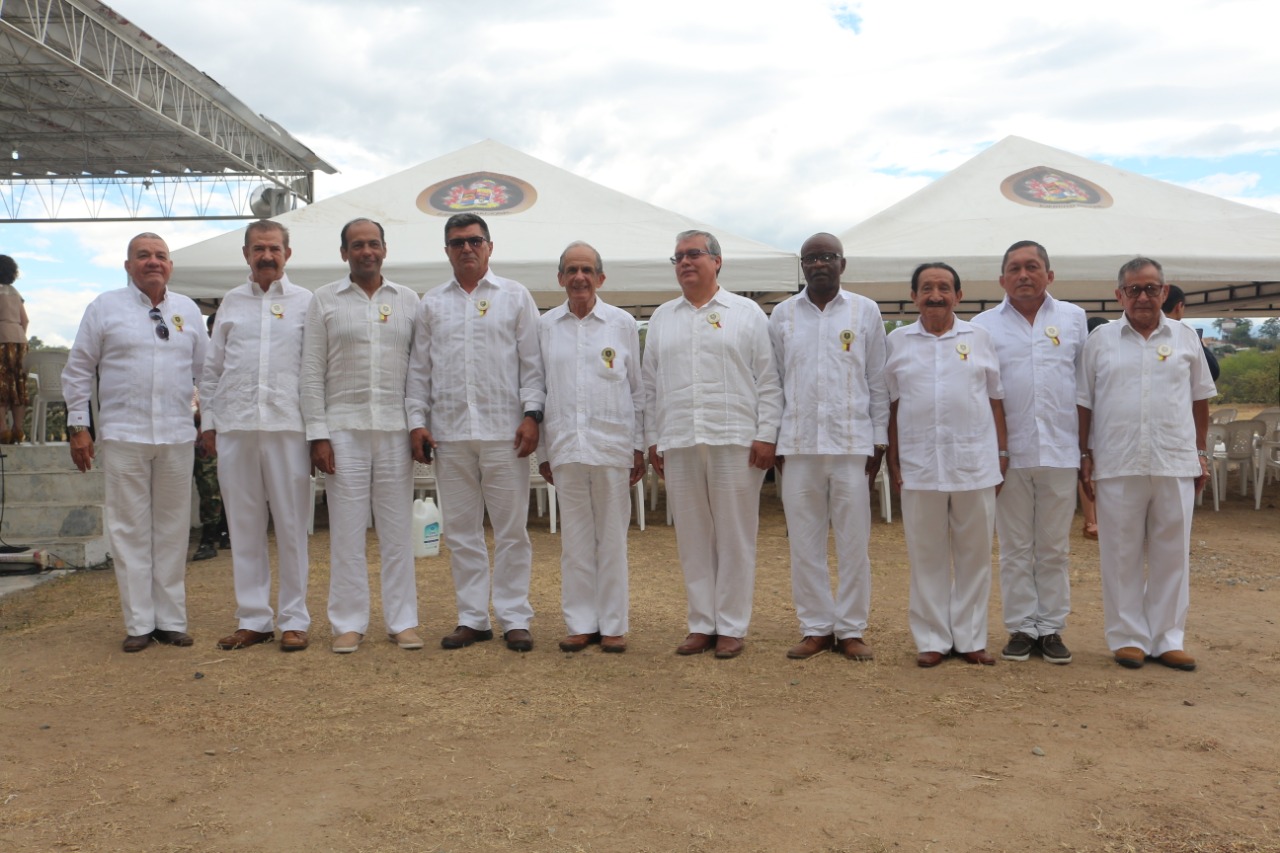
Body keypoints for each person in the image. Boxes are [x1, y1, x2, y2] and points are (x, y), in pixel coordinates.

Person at [62, 233, 206, 652]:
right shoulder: (104, 307)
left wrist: (209, 423)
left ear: (170, 266)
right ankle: (140, 622)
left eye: (161, 256)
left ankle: (171, 620)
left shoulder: (188, 310)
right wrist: (78, 425)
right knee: (129, 530)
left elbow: (207, 371)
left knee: (173, 529)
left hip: (176, 434)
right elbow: (78, 369)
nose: (153, 261)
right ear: (128, 266)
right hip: (124, 433)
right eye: (143, 255)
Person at [407, 213, 545, 652]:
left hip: (505, 432)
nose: (466, 248)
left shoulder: (515, 296)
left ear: (489, 246)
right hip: (449, 434)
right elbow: (419, 371)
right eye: (457, 242)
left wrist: (533, 414)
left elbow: (533, 364)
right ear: (446, 250)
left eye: (474, 240)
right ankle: (472, 618)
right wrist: (417, 421)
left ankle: (514, 617)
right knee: (461, 531)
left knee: (511, 531)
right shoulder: (431, 303)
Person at [643, 229, 782, 659]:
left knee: (735, 536)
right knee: (693, 536)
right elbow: (649, 385)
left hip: (735, 439)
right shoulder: (662, 317)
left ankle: (732, 625)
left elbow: (769, 379)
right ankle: (702, 623)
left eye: (695, 254)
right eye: (679, 257)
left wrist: (766, 434)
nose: (685, 262)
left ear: (717, 262)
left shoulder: (747, 313)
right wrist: (653, 439)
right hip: (680, 438)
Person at [1077, 257, 1215, 672]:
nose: (1142, 296)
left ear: (1164, 292)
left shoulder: (1186, 338)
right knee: (1120, 555)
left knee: (1173, 554)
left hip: (1174, 460)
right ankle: (1128, 638)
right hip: (1117, 461)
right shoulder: (1100, 340)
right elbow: (1084, 402)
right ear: (1119, 294)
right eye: (1133, 289)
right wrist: (1084, 454)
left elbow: (1200, 400)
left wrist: (1201, 453)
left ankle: (1167, 638)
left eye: (1151, 288)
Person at [301, 218, 420, 654]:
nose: (366, 251)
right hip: (343, 430)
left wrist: (417, 423)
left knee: (397, 533)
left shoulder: (408, 301)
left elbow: (418, 370)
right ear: (344, 253)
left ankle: (402, 621)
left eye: (373, 244)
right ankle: (348, 623)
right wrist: (318, 434)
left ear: (385, 249)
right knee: (347, 534)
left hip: (394, 430)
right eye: (357, 245)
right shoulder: (324, 300)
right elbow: (311, 372)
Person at [768, 233, 888, 661]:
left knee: (854, 543)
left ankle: (851, 629)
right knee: (805, 543)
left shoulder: (865, 311)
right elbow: (774, 382)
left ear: (842, 263)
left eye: (827, 257)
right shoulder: (782, 314)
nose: (819, 264)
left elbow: (878, 380)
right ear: (802, 266)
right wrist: (775, 439)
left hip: (851, 445)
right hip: (798, 446)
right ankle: (816, 628)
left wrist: (879, 440)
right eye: (811, 258)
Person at [885, 262, 1007, 668]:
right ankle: (932, 639)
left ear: (958, 295)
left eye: (943, 288)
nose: (935, 295)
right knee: (926, 557)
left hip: (974, 463)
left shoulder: (980, 338)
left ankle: (970, 638)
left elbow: (996, 400)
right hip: (919, 465)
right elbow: (892, 404)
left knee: (975, 556)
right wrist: (893, 457)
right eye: (926, 288)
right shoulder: (897, 342)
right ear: (913, 296)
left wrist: (1002, 454)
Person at [971, 241, 1087, 665]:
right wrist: (994, 450)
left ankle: (1051, 628)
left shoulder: (1073, 318)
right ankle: (1021, 627)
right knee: (1015, 547)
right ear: (1002, 279)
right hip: (1008, 453)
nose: (1024, 275)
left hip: (1060, 449)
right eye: (1015, 268)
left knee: (1054, 548)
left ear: (1049, 275)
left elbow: (1084, 386)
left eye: (1032, 267)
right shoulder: (982, 326)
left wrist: (1086, 449)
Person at [202, 220, 314, 652]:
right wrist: (209, 423)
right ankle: (253, 619)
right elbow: (212, 369)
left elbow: (314, 369)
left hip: (288, 426)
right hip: (237, 427)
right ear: (246, 254)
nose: (267, 256)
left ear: (288, 253)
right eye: (258, 249)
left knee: (291, 526)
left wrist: (316, 430)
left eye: (274, 248)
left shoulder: (306, 302)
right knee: (244, 526)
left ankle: (294, 619)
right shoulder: (231, 302)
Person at [536, 242, 645, 654]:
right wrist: (544, 452)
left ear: (600, 278)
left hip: (612, 445)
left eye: (586, 270)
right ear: (560, 278)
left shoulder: (621, 324)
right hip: (565, 446)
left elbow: (637, 390)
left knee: (612, 539)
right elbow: (539, 389)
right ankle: (581, 623)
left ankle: (613, 624)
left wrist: (638, 446)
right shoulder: (545, 326)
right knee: (576, 541)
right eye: (571, 270)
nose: (579, 277)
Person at [192, 312, 228, 562]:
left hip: (234, 430)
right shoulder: (201, 361)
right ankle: (208, 537)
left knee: (235, 485)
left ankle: (227, 531)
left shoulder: (237, 358)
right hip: (205, 433)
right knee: (208, 487)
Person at [1078, 317, 1109, 539]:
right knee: (1088, 471)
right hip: (1086, 420)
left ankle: (1097, 518)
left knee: (1098, 472)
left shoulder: (1109, 354)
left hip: (1105, 420)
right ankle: (1091, 519)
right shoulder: (1083, 356)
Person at [1162, 284, 1220, 381]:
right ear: (1179, 306)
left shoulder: (1143, 333)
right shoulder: (1187, 335)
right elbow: (1212, 372)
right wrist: (1201, 346)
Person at [0, 255, 29, 444]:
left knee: (1, 384)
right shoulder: (15, 293)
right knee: (19, 385)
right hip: (20, 341)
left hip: (1, 339)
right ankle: (18, 430)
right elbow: (25, 320)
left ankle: (3, 430)